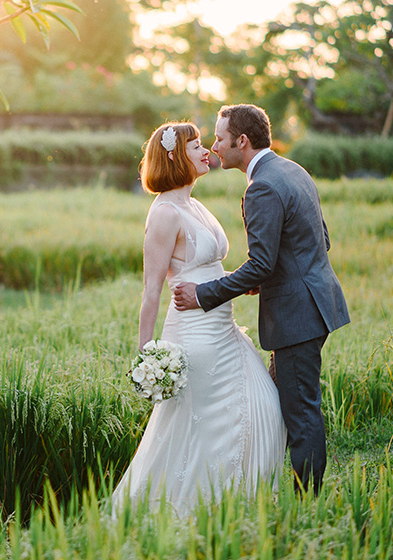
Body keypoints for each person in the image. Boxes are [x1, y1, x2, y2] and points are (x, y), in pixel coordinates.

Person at [172, 104, 350, 496]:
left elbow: (262, 264)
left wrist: (203, 295)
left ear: (242, 141)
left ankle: (309, 501)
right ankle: (274, 486)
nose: (215, 146)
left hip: (298, 314)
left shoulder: (263, 186)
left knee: (301, 411)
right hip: (312, 305)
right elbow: (320, 241)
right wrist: (267, 276)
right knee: (285, 401)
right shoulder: (291, 169)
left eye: (219, 138)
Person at [110, 122, 287, 515]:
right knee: (209, 426)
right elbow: (152, 289)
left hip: (225, 329)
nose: (206, 150)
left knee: (266, 408)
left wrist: (237, 283)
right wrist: (146, 353)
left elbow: (206, 270)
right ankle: (192, 509)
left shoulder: (195, 204)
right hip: (195, 334)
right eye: (195, 147)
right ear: (175, 156)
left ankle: (241, 504)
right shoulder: (164, 215)